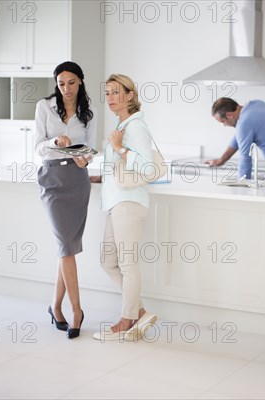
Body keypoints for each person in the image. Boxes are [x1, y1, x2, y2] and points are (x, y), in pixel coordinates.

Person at [89, 74, 157, 341]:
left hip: (129, 203)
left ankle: (127, 321)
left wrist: (119, 148)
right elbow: (119, 167)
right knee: (108, 262)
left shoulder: (136, 127)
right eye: (107, 93)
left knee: (128, 264)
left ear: (130, 95)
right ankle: (138, 312)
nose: (110, 98)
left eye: (116, 92)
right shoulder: (123, 124)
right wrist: (100, 174)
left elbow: (148, 168)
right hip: (116, 202)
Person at [35, 61, 97, 339]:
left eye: (71, 82)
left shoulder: (88, 112)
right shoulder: (44, 107)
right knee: (65, 246)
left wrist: (85, 158)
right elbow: (37, 146)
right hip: (52, 180)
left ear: (80, 81)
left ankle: (54, 307)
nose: (66, 88)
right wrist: (53, 143)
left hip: (77, 180)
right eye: (61, 83)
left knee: (67, 248)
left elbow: (91, 148)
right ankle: (77, 311)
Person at [206, 97, 265, 182]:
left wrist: (242, 185)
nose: (225, 125)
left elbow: (245, 158)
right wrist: (222, 160)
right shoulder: (256, 104)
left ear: (229, 115)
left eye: (223, 121)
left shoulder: (244, 123)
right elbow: (238, 137)